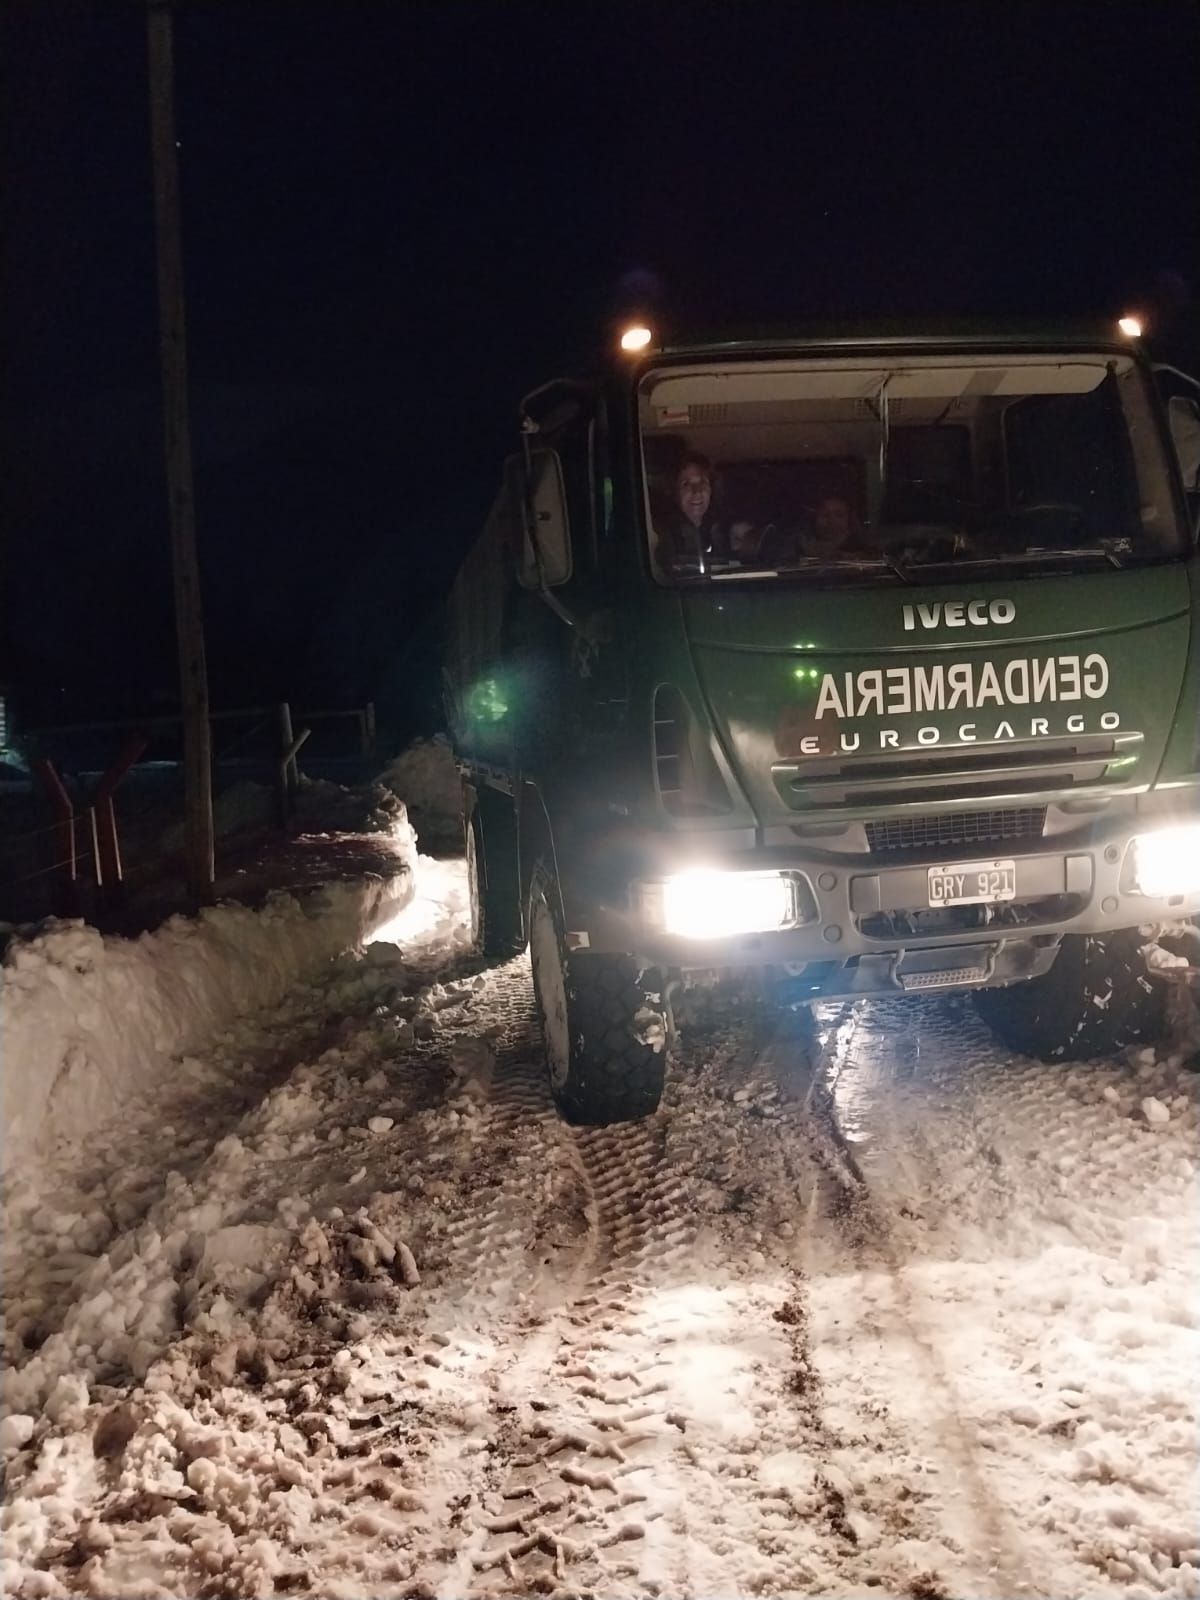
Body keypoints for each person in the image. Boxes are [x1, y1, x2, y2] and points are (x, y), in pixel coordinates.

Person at [656, 452, 727, 571]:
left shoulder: (724, 529)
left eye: (702, 482)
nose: (697, 492)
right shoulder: (661, 534)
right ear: (675, 492)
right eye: (686, 484)